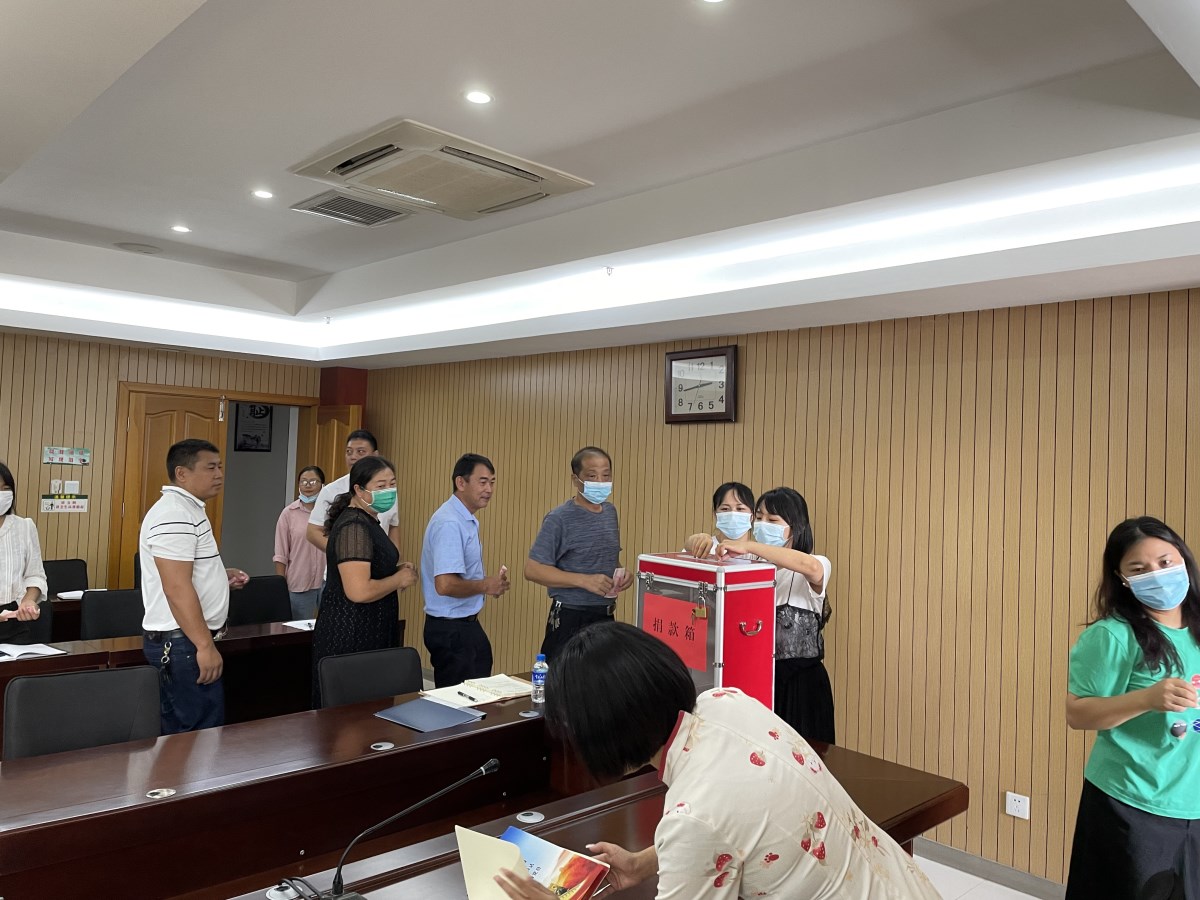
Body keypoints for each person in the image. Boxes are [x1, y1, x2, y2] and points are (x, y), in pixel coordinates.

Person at [493, 622, 941, 900]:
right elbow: (734, 828)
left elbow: (707, 824)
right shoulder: (725, 701)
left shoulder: (692, 815)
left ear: (602, 732)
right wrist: (645, 863)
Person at [1064, 517, 1200, 899]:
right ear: (1122, 579)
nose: (1156, 574)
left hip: (1193, 801)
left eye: (1165, 562)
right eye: (1139, 569)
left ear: (1184, 559)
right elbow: (1077, 714)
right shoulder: (1113, 635)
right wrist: (1146, 699)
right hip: (1132, 805)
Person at [140, 439, 249, 734]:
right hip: (182, 643)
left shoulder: (189, 509)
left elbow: (186, 572)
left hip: (185, 641)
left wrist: (218, 577)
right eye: (210, 468)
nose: (219, 474)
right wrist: (204, 645)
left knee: (198, 736)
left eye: (220, 467)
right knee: (197, 737)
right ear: (182, 473)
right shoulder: (174, 514)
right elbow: (176, 587)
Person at [717, 487, 834, 743]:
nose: (762, 524)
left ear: (795, 527)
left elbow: (810, 566)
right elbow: (714, 548)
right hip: (754, 680)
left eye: (772, 520)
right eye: (759, 518)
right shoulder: (749, 565)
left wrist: (750, 544)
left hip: (800, 688)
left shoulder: (814, 563)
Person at [311, 455, 417, 707]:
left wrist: (394, 570)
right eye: (381, 486)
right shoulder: (354, 526)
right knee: (351, 718)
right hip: (352, 634)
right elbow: (358, 591)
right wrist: (397, 579)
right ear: (359, 490)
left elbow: (368, 568)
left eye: (392, 484)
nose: (389, 491)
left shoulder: (368, 520)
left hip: (371, 629)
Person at [525, 446, 634, 662]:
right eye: (592, 476)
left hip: (604, 615)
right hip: (570, 616)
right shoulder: (559, 518)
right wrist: (584, 580)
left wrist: (622, 574)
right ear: (576, 480)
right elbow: (532, 569)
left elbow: (607, 557)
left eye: (606, 475)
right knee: (565, 679)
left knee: (603, 679)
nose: (600, 482)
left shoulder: (610, 512)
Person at [420, 453, 510, 687]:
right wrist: (486, 585)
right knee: (459, 703)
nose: (489, 489)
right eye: (482, 482)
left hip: (462, 626)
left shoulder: (462, 518)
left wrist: (491, 586)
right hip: (451, 628)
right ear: (461, 482)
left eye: (492, 482)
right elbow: (445, 585)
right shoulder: (450, 522)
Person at [305, 430, 399, 553]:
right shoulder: (331, 490)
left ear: (375, 455)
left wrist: (394, 559)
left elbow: (393, 526)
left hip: (381, 563)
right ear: (358, 490)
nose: (353, 457)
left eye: (360, 451)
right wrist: (344, 553)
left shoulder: (387, 491)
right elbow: (312, 532)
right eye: (349, 452)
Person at [0, 462, 47, 642]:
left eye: (6, 489)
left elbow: (35, 575)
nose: (2, 494)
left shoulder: (25, 526)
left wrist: (29, 600)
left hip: (14, 621)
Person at [274, 465, 327, 619]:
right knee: (298, 629)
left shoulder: (331, 512)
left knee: (330, 627)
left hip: (328, 582)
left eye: (313, 481)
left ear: (323, 485)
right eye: (303, 481)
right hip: (299, 583)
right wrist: (280, 586)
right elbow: (281, 554)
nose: (308, 485)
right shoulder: (288, 513)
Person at [683, 480, 755, 558]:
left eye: (740, 509)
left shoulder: (759, 553)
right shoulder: (705, 547)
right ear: (715, 514)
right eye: (725, 509)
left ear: (752, 516)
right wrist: (694, 542)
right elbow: (688, 547)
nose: (732, 514)